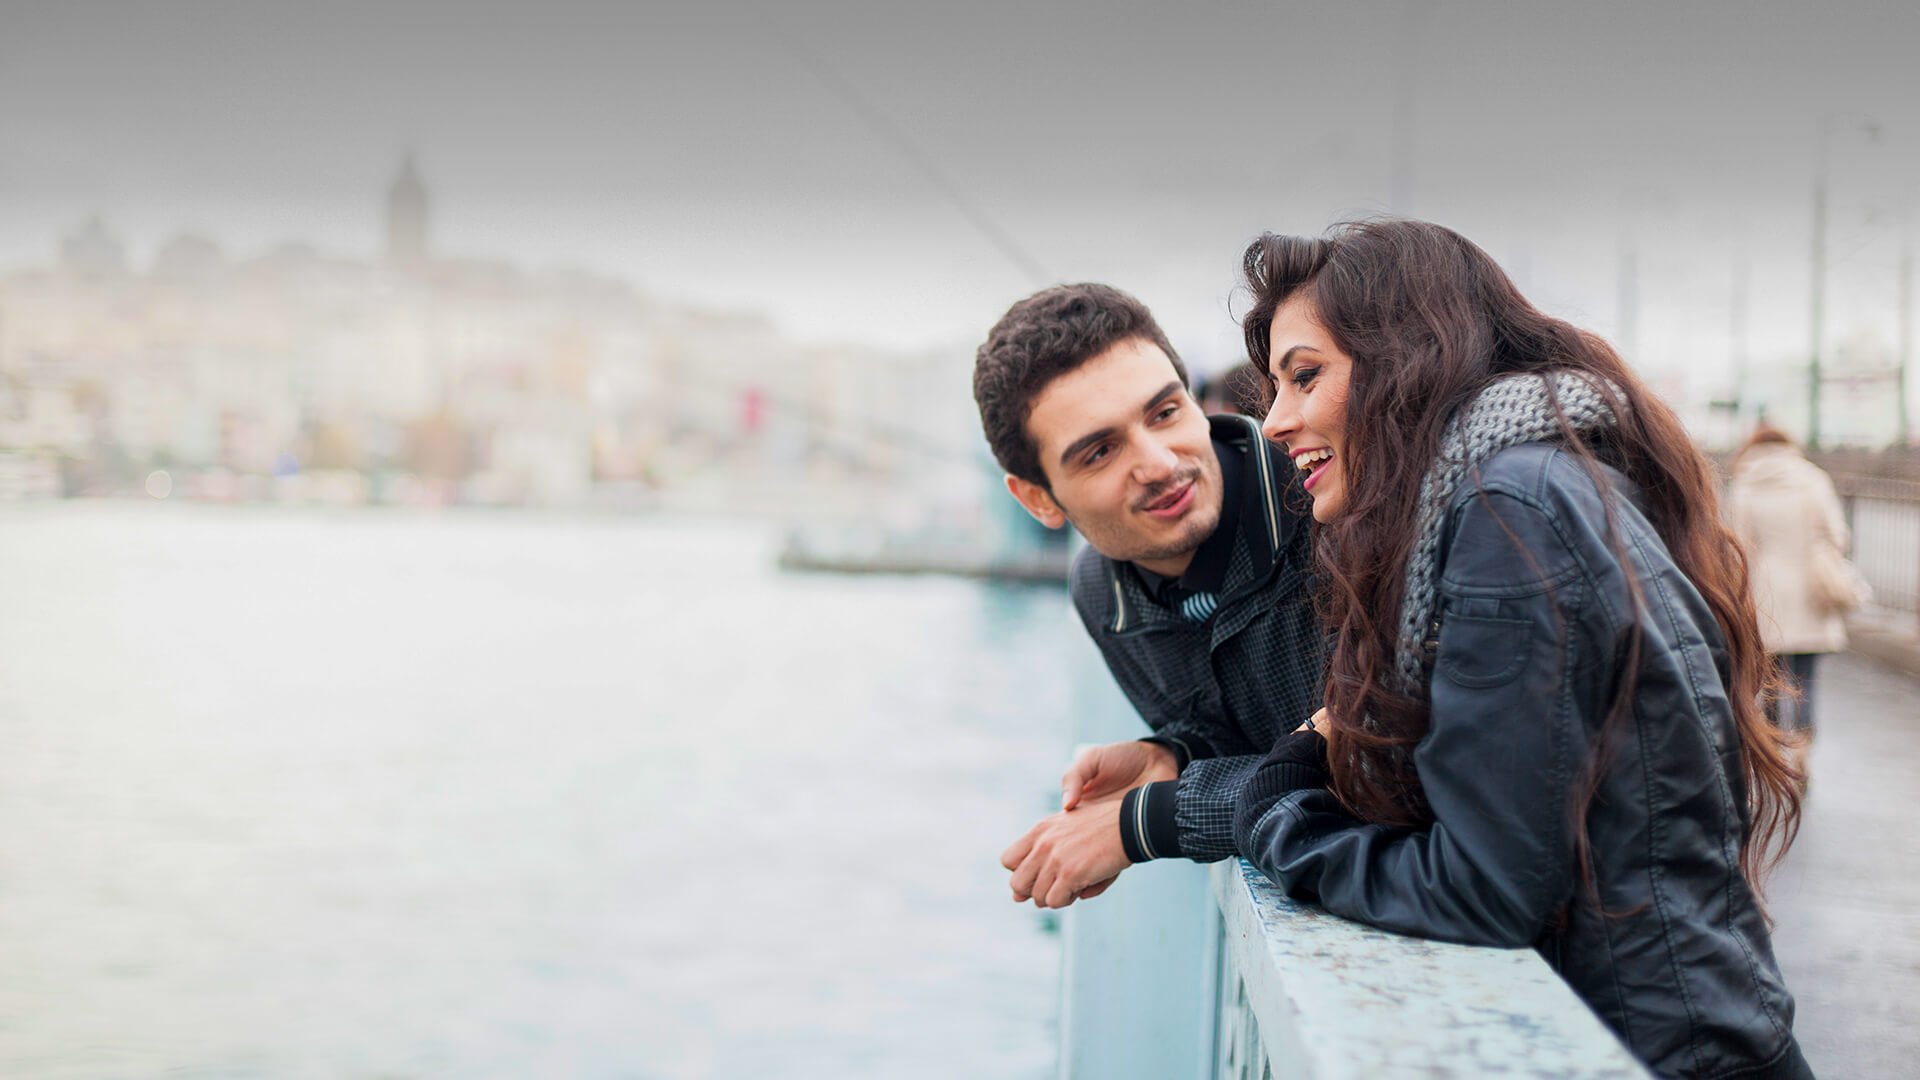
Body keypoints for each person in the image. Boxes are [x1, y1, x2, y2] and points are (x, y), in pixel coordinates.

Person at [1232, 220, 1810, 1079]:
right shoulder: (1539, 487)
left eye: (1304, 376)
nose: (1275, 422)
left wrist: (1281, 821)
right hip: (1679, 1036)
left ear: (1407, 358)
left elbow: (1482, 887)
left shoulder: (1511, 512)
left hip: (1654, 1055)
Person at [973, 283, 1321, 909]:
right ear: (1037, 499)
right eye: (1101, 451)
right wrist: (1172, 754)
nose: (1159, 464)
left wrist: (1146, 822)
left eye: (1165, 413)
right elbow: (1254, 743)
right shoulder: (1101, 592)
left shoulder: (1332, 504)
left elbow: (1387, 762)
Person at [1726, 422, 1851, 735]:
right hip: (1810, 589)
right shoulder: (1812, 480)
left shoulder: (1745, 484)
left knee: (1770, 680)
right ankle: (1803, 748)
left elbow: (1738, 545)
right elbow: (1836, 534)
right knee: (1806, 680)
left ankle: (1776, 747)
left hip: (1764, 589)